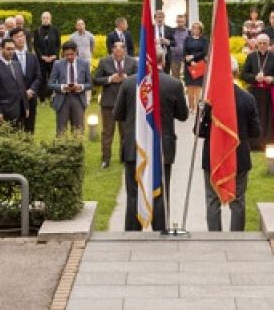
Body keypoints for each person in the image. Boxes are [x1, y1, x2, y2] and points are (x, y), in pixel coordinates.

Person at [114, 48, 189, 231]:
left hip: (135, 145)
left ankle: (132, 233)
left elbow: (118, 113)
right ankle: (160, 230)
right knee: (160, 193)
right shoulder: (173, 84)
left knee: (133, 194)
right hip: (161, 147)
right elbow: (183, 115)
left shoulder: (130, 83)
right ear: (163, 61)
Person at [197, 73, 262, 232]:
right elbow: (256, 131)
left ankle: (215, 237)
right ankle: (237, 238)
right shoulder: (247, 98)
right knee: (238, 200)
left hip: (214, 157)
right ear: (236, 74)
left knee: (212, 200)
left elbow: (198, 131)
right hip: (238, 157)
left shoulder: (209, 100)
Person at [93, 41, 136, 168]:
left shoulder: (132, 62)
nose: (118, 55)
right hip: (108, 103)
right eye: (115, 53)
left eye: (120, 53)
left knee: (125, 132)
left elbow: (140, 77)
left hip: (126, 103)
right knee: (107, 132)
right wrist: (110, 79)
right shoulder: (104, 61)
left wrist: (127, 78)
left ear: (124, 51)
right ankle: (105, 159)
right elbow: (95, 80)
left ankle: (125, 157)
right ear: (112, 51)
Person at [241, 34, 274, 151]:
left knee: (269, 119)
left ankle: (269, 143)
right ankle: (254, 144)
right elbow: (244, 74)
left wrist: (273, 79)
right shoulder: (251, 56)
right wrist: (255, 78)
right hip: (254, 93)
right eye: (260, 43)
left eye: (264, 43)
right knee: (254, 118)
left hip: (269, 93)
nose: (262, 45)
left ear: (268, 44)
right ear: (257, 44)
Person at [50, 41, 92, 136]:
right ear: (63, 53)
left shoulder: (84, 64)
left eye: (71, 54)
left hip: (78, 98)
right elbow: (50, 83)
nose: (69, 57)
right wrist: (62, 87)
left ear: (76, 52)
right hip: (62, 98)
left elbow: (90, 84)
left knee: (78, 129)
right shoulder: (58, 64)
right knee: (61, 130)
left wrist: (80, 87)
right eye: (66, 55)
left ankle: (77, 149)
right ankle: (61, 149)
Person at [0, 38, 29, 130]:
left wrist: (25, 106)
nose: (11, 51)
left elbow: (22, 87)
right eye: (8, 49)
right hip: (4, 111)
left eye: (13, 49)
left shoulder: (17, 65)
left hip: (19, 110)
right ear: (1, 49)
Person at [11, 28, 42, 133]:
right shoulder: (10, 58)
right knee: (15, 127)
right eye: (17, 37)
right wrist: (21, 93)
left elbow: (38, 76)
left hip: (30, 97)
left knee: (29, 127)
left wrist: (31, 90)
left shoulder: (32, 57)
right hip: (15, 98)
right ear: (12, 40)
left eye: (22, 36)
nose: (20, 39)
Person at [182, 21, 209, 111]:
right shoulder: (187, 39)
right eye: (194, 28)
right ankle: (190, 106)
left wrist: (193, 57)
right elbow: (185, 52)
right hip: (189, 65)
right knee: (190, 87)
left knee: (197, 87)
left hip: (199, 64)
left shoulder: (204, 39)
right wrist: (190, 62)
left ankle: (196, 107)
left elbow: (204, 52)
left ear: (201, 30)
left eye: (197, 28)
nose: (195, 30)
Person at [35, 11, 62, 85]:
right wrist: (42, 56)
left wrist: (54, 55)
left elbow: (58, 44)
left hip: (53, 59)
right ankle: (43, 95)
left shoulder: (55, 30)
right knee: (42, 78)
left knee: (54, 77)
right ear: (41, 19)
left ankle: (54, 94)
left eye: (47, 18)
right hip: (42, 60)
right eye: (44, 18)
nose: (45, 19)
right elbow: (36, 46)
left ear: (50, 19)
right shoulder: (37, 31)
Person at [169, 14, 190, 79]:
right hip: (174, 58)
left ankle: (185, 88)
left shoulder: (189, 32)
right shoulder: (172, 31)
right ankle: (176, 89)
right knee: (175, 77)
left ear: (185, 22)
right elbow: (169, 42)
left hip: (186, 59)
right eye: (179, 22)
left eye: (182, 22)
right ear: (176, 21)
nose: (180, 23)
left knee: (187, 76)